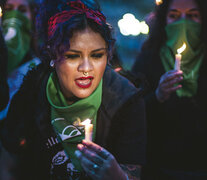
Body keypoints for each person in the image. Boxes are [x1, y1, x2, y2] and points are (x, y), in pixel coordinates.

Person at [1, 0, 146, 179]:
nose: (86, 68)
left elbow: (133, 173)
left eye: (97, 55)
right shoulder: (33, 89)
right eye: (72, 56)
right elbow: (10, 163)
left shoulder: (125, 99)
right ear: (52, 55)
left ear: (108, 55)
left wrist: (117, 175)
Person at [131, 0, 207, 179]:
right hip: (159, 167)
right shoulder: (148, 59)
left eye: (192, 16)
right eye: (174, 16)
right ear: (163, 20)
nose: (183, 23)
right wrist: (158, 96)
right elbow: (132, 111)